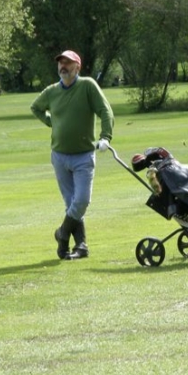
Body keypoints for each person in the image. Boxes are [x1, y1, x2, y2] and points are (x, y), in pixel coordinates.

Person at [31, 50, 115, 260]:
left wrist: (105, 137)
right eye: (60, 63)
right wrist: (51, 122)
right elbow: (36, 108)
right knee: (71, 204)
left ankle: (62, 233)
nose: (63, 66)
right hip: (59, 156)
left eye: (67, 63)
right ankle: (82, 246)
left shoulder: (87, 86)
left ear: (78, 66)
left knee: (82, 201)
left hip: (83, 156)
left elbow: (106, 111)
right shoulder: (51, 91)